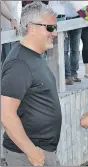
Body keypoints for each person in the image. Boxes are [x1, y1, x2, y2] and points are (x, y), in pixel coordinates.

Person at [1, 2, 62, 166]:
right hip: (27, 155)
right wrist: (31, 151)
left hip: (39, 152)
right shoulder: (19, 63)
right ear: (32, 28)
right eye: (50, 28)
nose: (55, 33)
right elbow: (6, 114)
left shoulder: (34, 56)